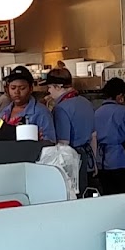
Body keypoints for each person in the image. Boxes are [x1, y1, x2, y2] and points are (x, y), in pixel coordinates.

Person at [41, 68, 97, 196]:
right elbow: (94, 136)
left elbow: (63, 144)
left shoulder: (61, 108)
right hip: (88, 160)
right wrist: (94, 164)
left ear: (58, 86)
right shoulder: (86, 102)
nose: (48, 91)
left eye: (50, 87)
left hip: (73, 162)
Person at [0, 66, 55, 142]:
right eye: (13, 88)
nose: (17, 92)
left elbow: (49, 143)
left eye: (22, 88)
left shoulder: (41, 113)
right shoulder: (5, 112)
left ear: (30, 89)